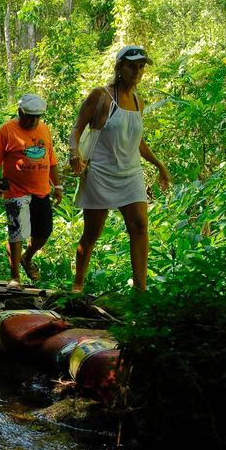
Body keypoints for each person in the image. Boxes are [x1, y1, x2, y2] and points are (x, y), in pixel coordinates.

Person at [68, 45, 171, 293]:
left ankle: (140, 291)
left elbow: (137, 140)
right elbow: (77, 128)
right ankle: (78, 285)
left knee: (139, 226)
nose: (137, 71)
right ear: (118, 68)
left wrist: (159, 164)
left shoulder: (138, 101)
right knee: (92, 233)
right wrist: (74, 153)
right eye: (131, 66)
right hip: (100, 172)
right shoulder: (101, 96)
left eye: (141, 67)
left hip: (130, 173)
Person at [0, 93, 63, 291]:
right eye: (30, 116)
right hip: (15, 189)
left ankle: (26, 258)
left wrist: (58, 186)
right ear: (20, 112)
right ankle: (15, 278)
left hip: (41, 189)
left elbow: (50, 159)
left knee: (43, 233)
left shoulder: (44, 129)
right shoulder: (6, 130)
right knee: (17, 232)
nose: (34, 120)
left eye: (37, 116)